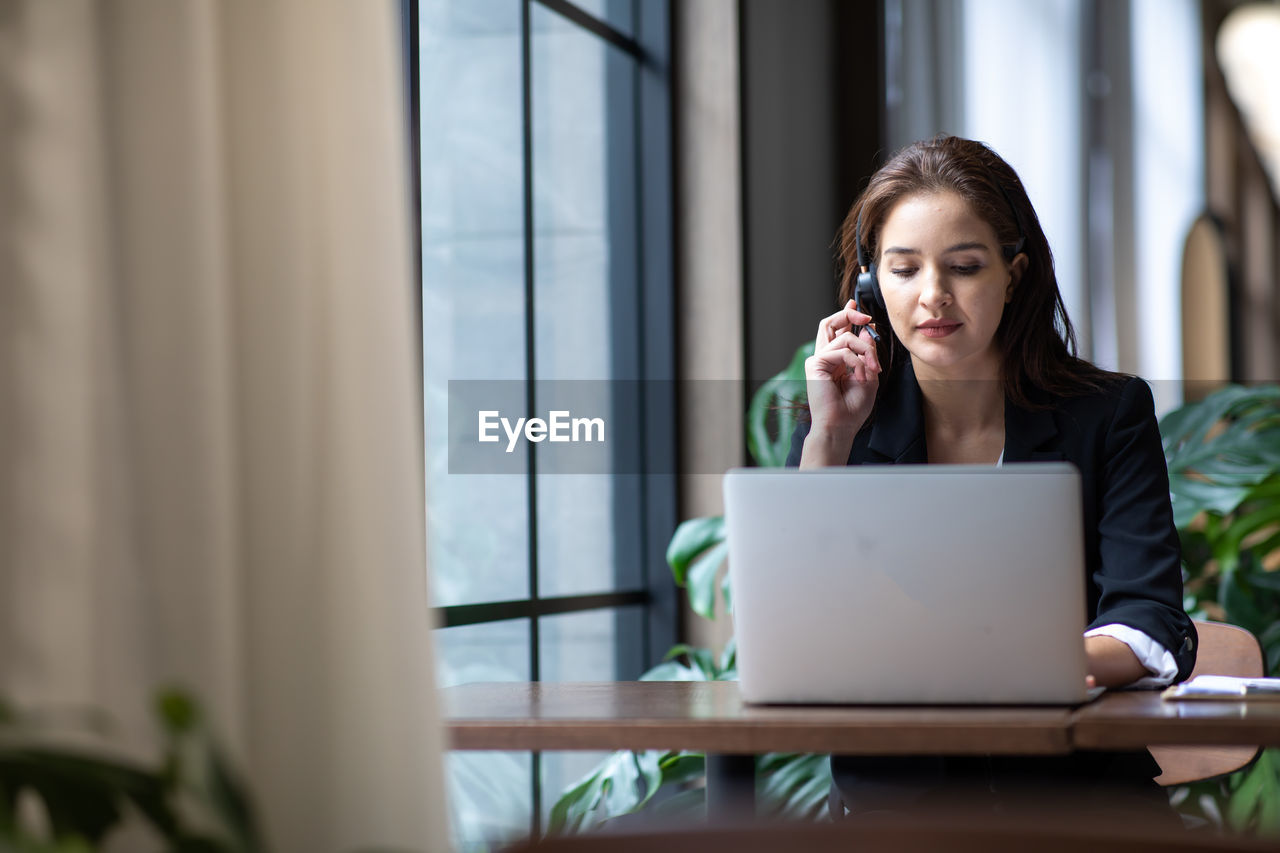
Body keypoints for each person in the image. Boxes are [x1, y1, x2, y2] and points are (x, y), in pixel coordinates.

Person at [785, 135, 1196, 820]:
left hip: (1079, 802)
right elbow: (796, 629)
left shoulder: (1107, 415)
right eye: (904, 269)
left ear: (1016, 273)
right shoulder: (841, 424)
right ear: (868, 285)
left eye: (965, 267)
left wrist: (1044, 662)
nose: (933, 296)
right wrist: (829, 438)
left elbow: (1150, 617)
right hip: (893, 810)